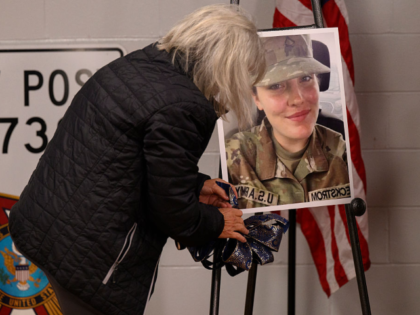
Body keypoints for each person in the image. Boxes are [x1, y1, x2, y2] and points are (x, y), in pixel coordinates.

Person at [9, 5, 266, 315]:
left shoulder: (144, 64)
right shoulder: (186, 104)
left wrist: (195, 186)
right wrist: (220, 222)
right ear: (229, 64)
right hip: (87, 256)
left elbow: (129, 158)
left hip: (48, 226)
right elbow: (174, 215)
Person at [226, 33, 351, 209]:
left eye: (306, 78)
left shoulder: (343, 149)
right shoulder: (234, 156)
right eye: (276, 85)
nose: (297, 99)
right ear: (257, 99)